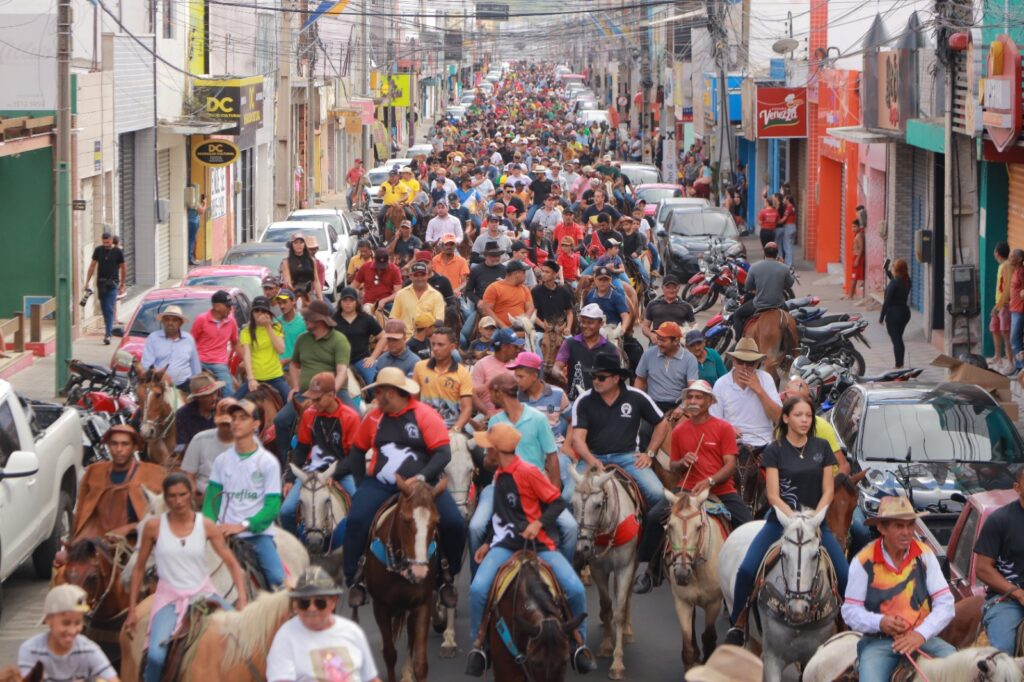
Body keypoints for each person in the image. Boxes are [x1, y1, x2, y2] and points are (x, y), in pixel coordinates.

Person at [464, 423, 595, 677]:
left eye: (486, 449)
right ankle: (480, 645)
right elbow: (503, 515)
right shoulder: (499, 474)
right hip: (503, 546)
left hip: (538, 546)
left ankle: (579, 646)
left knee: (576, 589)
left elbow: (557, 502)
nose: (483, 454)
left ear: (497, 450)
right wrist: (488, 542)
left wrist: (539, 523)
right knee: (478, 589)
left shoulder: (529, 472)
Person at [724, 395, 849, 646]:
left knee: (845, 574)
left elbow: (828, 490)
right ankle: (738, 623)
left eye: (808, 415)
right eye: (798, 415)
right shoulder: (775, 450)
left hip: (816, 524)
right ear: (785, 418)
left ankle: (847, 627)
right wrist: (793, 518)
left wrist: (815, 516)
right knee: (747, 569)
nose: (804, 420)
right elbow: (772, 494)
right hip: (780, 522)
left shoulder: (821, 448)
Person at [338, 368, 465, 608]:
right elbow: (357, 451)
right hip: (381, 484)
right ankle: (355, 579)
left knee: (453, 523)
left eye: (379, 393)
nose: (375, 398)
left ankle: (447, 576)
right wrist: (360, 484)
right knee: (355, 521)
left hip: (422, 486)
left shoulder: (425, 415)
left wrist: (421, 477)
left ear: (393, 393)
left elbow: (443, 453)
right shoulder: (374, 418)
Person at [633, 380, 752, 594]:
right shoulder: (679, 431)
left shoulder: (723, 428)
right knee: (653, 517)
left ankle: (749, 575)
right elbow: (673, 466)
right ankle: (650, 571)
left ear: (709, 401)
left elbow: (730, 465)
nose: (693, 402)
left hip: (721, 490)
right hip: (686, 488)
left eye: (698, 397)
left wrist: (711, 481)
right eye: (690, 398)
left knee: (748, 524)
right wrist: (682, 462)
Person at [128, 473, 247, 682]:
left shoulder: (206, 525)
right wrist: (131, 610)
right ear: (165, 498)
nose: (178, 501)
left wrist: (243, 599)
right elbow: (139, 569)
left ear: (191, 495)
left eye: (182, 495)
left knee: (245, 639)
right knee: (155, 657)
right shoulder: (153, 528)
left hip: (204, 594)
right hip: (169, 599)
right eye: (172, 496)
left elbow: (232, 563)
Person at [468, 374, 578, 566]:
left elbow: (551, 457)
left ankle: (563, 574)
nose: (488, 399)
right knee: (475, 527)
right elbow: (489, 462)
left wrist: (552, 489)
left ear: (498, 393)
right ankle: (476, 583)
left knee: (570, 528)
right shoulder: (495, 421)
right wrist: (491, 460)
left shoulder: (537, 419)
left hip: (534, 484)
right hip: (501, 485)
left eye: (490, 393)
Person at [842, 496, 955, 680]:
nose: (907, 532)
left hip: (922, 638)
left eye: (910, 525)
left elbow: (946, 603)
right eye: (899, 526)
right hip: (878, 642)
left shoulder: (925, 554)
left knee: (962, 668)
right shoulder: (863, 561)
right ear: (882, 528)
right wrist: (880, 622)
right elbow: (849, 611)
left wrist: (920, 634)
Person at [570, 354, 671, 510]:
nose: (595, 381)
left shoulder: (636, 397)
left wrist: (649, 453)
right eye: (593, 376)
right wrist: (590, 459)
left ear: (616, 378)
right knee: (566, 497)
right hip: (592, 456)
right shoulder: (583, 400)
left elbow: (662, 423)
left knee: (657, 494)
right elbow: (577, 439)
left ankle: (651, 533)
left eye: (601, 377)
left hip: (628, 457)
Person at [202, 399, 286, 588]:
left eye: (243, 418)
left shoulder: (267, 462)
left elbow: (272, 506)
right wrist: (212, 526)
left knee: (278, 582)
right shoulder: (221, 461)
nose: (236, 422)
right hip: (221, 535)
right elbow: (210, 501)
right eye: (233, 418)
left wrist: (243, 525)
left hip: (256, 535)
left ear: (256, 424)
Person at [280, 372, 361, 538]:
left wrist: (335, 474)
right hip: (311, 471)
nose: (313, 403)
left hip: (342, 471)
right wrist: (289, 478)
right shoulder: (309, 414)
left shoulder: (350, 417)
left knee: (360, 511)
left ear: (332, 395)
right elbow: (301, 449)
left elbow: (354, 457)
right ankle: (297, 548)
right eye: (312, 398)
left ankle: (357, 553)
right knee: (286, 511)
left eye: (318, 399)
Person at [265, 567, 381, 682]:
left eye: (320, 602)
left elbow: (371, 679)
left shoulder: (352, 631)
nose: (311, 608)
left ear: (333, 602)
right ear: (296, 604)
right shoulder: (285, 637)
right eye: (304, 603)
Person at [273, 299, 352, 463]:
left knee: (356, 416)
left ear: (320, 321)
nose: (305, 320)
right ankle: (286, 461)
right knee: (280, 421)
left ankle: (350, 463)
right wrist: (295, 386)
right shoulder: (303, 339)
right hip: (306, 393)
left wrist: (332, 393)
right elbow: (294, 365)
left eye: (308, 318)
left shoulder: (339, 340)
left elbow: (342, 371)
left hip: (333, 391)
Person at [69, 424, 164, 541]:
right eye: (114, 444)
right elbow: (81, 510)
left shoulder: (154, 473)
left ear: (134, 447)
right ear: (108, 445)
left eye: (125, 444)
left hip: (138, 539)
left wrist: (132, 528)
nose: (119, 449)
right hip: (98, 538)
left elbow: (165, 516)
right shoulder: (94, 471)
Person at [18, 584, 119, 682]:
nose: (72, 630)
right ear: (49, 619)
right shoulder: (31, 650)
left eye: (78, 623)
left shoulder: (89, 650)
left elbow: (112, 679)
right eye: (65, 623)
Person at [974, 467, 1024, 654]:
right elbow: (983, 568)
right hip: (1008, 600)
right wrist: (1018, 594)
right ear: (1017, 488)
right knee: (1002, 650)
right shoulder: (1000, 520)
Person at [710, 338, 782, 454]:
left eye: (749, 363)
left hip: (763, 442)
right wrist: (727, 429)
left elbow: (779, 418)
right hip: (734, 443)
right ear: (733, 361)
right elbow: (713, 420)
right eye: (740, 361)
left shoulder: (766, 379)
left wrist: (759, 390)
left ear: (756, 363)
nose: (744, 367)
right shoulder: (721, 384)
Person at [552, 304, 623, 401]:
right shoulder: (570, 343)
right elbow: (556, 366)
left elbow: (616, 379)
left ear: (600, 324)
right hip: (574, 400)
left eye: (590, 323)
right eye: (583, 322)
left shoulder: (610, 349)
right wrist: (558, 372)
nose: (585, 326)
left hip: (601, 402)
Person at [413, 327, 473, 432]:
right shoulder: (419, 367)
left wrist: (454, 430)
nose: (435, 348)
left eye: (440, 345)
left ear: (452, 347)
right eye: (433, 344)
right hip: (424, 429)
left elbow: (467, 408)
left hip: (451, 429)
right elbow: (413, 401)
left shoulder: (462, 373)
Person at [732, 242, 795, 340]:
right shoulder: (784, 268)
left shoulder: (754, 267)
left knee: (737, 315)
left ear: (764, 253)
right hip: (779, 305)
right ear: (777, 254)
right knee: (793, 320)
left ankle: (739, 340)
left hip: (758, 305)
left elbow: (748, 286)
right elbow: (789, 284)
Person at [634, 321, 699, 414]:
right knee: (642, 428)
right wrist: (636, 402)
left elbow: (693, 388)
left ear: (676, 341)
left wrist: (682, 407)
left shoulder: (689, 359)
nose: (659, 343)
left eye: (663, 340)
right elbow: (640, 380)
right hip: (653, 405)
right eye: (658, 338)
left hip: (678, 406)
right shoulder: (648, 354)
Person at [182, 397, 237, 500]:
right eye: (223, 423)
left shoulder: (250, 442)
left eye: (228, 423)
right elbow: (189, 476)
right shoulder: (199, 439)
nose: (226, 427)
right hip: (205, 495)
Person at [237, 296, 288, 402]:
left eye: (263, 310)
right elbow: (247, 355)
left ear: (268, 312)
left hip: (275, 377)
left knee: (292, 401)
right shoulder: (245, 331)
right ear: (252, 313)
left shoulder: (276, 327)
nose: (260, 313)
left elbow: (281, 350)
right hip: (255, 378)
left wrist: (268, 326)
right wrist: (251, 379)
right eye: (256, 310)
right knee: (232, 402)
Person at [140, 305, 201, 393]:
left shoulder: (189, 339)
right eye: (167, 319)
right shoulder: (153, 338)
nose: (170, 323)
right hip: (159, 387)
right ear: (162, 322)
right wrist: (159, 375)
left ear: (180, 323)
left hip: (184, 387)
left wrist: (197, 387)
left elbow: (196, 367)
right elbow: (146, 365)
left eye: (174, 320)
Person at [189, 290, 239, 393]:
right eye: (228, 306)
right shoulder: (201, 320)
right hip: (199, 362)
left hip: (219, 364)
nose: (231, 309)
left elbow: (235, 343)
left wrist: (249, 364)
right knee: (187, 389)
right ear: (217, 307)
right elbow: (190, 342)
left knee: (229, 394)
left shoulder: (231, 322)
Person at [332, 287, 383, 385]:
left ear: (356, 302)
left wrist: (373, 357)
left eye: (351, 300)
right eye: (345, 300)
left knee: (374, 383)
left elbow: (383, 337)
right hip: (340, 361)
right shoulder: (333, 320)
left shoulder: (366, 319)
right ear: (340, 302)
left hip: (362, 360)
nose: (348, 303)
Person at [84, 232, 126, 344]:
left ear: (112, 240)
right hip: (101, 283)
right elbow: (92, 266)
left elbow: (123, 268)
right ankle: (109, 328)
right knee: (104, 308)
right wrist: (87, 281)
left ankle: (108, 334)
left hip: (113, 283)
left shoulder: (118, 252)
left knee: (109, 308)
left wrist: (122, 283)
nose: (106, 244)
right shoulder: (98, 250)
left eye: (108, 242)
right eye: (104, 242)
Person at [391, 260, 445, 335]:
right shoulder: (401, 294)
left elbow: (439, 321)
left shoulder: (437, 296)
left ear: (428, 275)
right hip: (404, 339)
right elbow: (393, 318)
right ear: (410, 276)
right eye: (416, 275)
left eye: (422, 275)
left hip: (426, 339)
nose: (419, 278)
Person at [175, 373, 222, 454]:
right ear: (197, 398)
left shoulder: (224, 408)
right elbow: (181, 444)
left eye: (215, 392)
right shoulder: (183, 414)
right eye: (208, 395)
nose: (214, 398)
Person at [480, 260, 534, 328]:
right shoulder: (494, 288)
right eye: (523, 273)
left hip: (521, 328)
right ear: (516, 274)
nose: (525, 275)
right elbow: (487, 310)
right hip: (498, 329)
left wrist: (524, 320)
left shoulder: (524, 289)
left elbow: (530, 307)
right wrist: (503, 327)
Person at [880, 258, 912, 369]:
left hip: (894, 314)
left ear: (896, 270)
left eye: (893, 267)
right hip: (905, 313)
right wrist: (886, 270)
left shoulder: (895, 283)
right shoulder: (906, 280)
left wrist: (881, 317)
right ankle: (900, 363)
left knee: (897, 340)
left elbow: (887, 301)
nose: (891, 269)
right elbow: (895, 280)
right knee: (898, 338)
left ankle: (899, 365)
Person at [642, 275, 694, 341]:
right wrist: (651, 335)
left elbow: (693, 327)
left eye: (674, 287)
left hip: (679, 343)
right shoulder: (652, 304)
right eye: (668, 287)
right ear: (662, 288)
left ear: (679, 288)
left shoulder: (686, 306)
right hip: (658, 342)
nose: (671, 290)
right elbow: (645, 327)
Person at [353, 247, 403, 312]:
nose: (380, 269)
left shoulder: (394, 270)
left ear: (388, 260)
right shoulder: (365, 267)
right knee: (366, 309)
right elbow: (353, 286)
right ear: (374, 259)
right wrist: (358, 297)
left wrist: (384, 300)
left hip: (387, 304)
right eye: (379, 265)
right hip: (368, 303)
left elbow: (398, 293)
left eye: (383, 266)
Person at [532, 260, 575, 334]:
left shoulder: (564, 291)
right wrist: (543, 326)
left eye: (547, 272)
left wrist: (568, 328)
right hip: (541, 331)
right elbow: (533, 314)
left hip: (560, 329)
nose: (543, 274)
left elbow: (569, 313)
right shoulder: (536, 291)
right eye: (542, 271)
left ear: (555, 274)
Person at [990, 242, 1013, 373]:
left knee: (1006, 333)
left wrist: (998, 306)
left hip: (1004, 305)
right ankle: (997, 356)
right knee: (994, 328)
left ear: (997, 253)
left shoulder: (1007, 267)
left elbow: (1007, 289)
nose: (994, 254)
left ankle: (1010, 362)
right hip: (998, 304)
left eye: (994, 252)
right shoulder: (1002, 266)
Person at [281, 233, 323, 302]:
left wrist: (320, 299)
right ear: (292, 245)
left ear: (304, 244)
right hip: (294, 293)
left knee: (325, 309)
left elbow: (316, 281)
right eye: (296, 243)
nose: (298, 245)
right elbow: (288, 282)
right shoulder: (286, 262)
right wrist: (298, 293)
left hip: (309, 292)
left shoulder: (311, 260)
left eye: (301, 242)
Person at [432, 233, 471, 299]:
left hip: (454, 296)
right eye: (446, 244)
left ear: (455, 246)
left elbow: (464, 282)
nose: (449, 247)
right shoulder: (435, 260)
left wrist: (457, 290)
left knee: (467, 309)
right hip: (437, 295)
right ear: (442, 245)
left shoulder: (462, 261)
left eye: (451, 244)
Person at [275, 289, 304, 364]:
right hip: (276, 366)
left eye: (285, 302)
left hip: (295, 364)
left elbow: (306, 350)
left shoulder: (303, 322)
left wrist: (286, 360)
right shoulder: (275, 322)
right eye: (279, 303)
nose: (282, 306)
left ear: (293, 301)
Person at [1012, 250, 1024, 374]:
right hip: (1014, 308)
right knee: (1016, 339)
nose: (1010, 259)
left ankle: (1020, 367)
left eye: (1012, 257)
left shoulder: (1021, 272)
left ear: (1020, 259)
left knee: (1015, 339)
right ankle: (1018, 365)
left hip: (1020, 309)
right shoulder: (1016, 271)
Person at [186, 194, 207, 266]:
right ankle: (190, 258)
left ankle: (190, 257)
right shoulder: (194, 202)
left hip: (189, 222)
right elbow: (201, 211)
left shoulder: (187, 200)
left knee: (191, 240)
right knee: (191, 240)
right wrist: (205, 204)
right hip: (193, 223)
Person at [848, 218, 866, 299]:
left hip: (857, 257)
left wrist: (857, 259)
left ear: (859, 227)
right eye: (852, 227)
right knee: (854, 277)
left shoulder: (859, 236)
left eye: (855, 227)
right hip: (856, 257)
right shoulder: (858, 235)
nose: (853, 229)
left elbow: (861, 248)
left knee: (854, 277)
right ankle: (850, 295)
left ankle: (850, 296)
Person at [778, 195, 797, 267]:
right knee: (790, 246)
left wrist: (777, 222)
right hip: (793, 226)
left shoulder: (788, 207)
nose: (784, 200)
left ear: (788, 199)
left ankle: (788, 264)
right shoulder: (793, 207)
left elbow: (784, 218)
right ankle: (790, 263)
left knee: (787, 246)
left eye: (785, 199)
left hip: (788, 227)